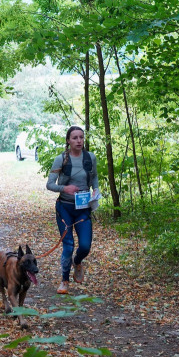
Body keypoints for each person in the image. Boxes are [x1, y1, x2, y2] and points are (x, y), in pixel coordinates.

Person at [46, 125, 100, 294]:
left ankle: (77, 262)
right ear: (68, 141)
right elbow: (49, 185)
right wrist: (64, 188)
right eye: (75, 138)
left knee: (85, 246)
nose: (79, 141)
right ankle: (64, 281)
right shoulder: (61, 159)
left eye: (81, 137)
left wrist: (96, 190)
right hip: (65, 208)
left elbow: (95, 177)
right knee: (68, 245)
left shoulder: (90, 157)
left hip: (83, 208)